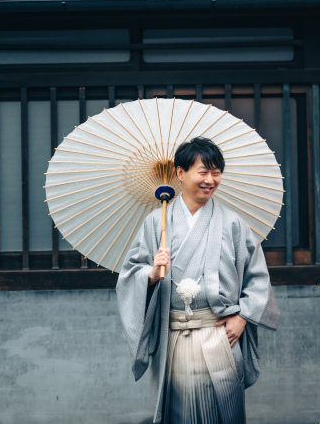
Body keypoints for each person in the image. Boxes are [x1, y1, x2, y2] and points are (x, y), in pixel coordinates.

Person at [116, 137, 280, 424]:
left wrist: (243, 316)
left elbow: (257, 277)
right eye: (203, 172)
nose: (210, 180)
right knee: (179, 413)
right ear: (180, 173)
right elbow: (131, 274)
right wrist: (152, 274)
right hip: (174, 334)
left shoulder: (232, 223)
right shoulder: (157, 222)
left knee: (224, 411)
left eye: (216, 173)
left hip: (220, 332)